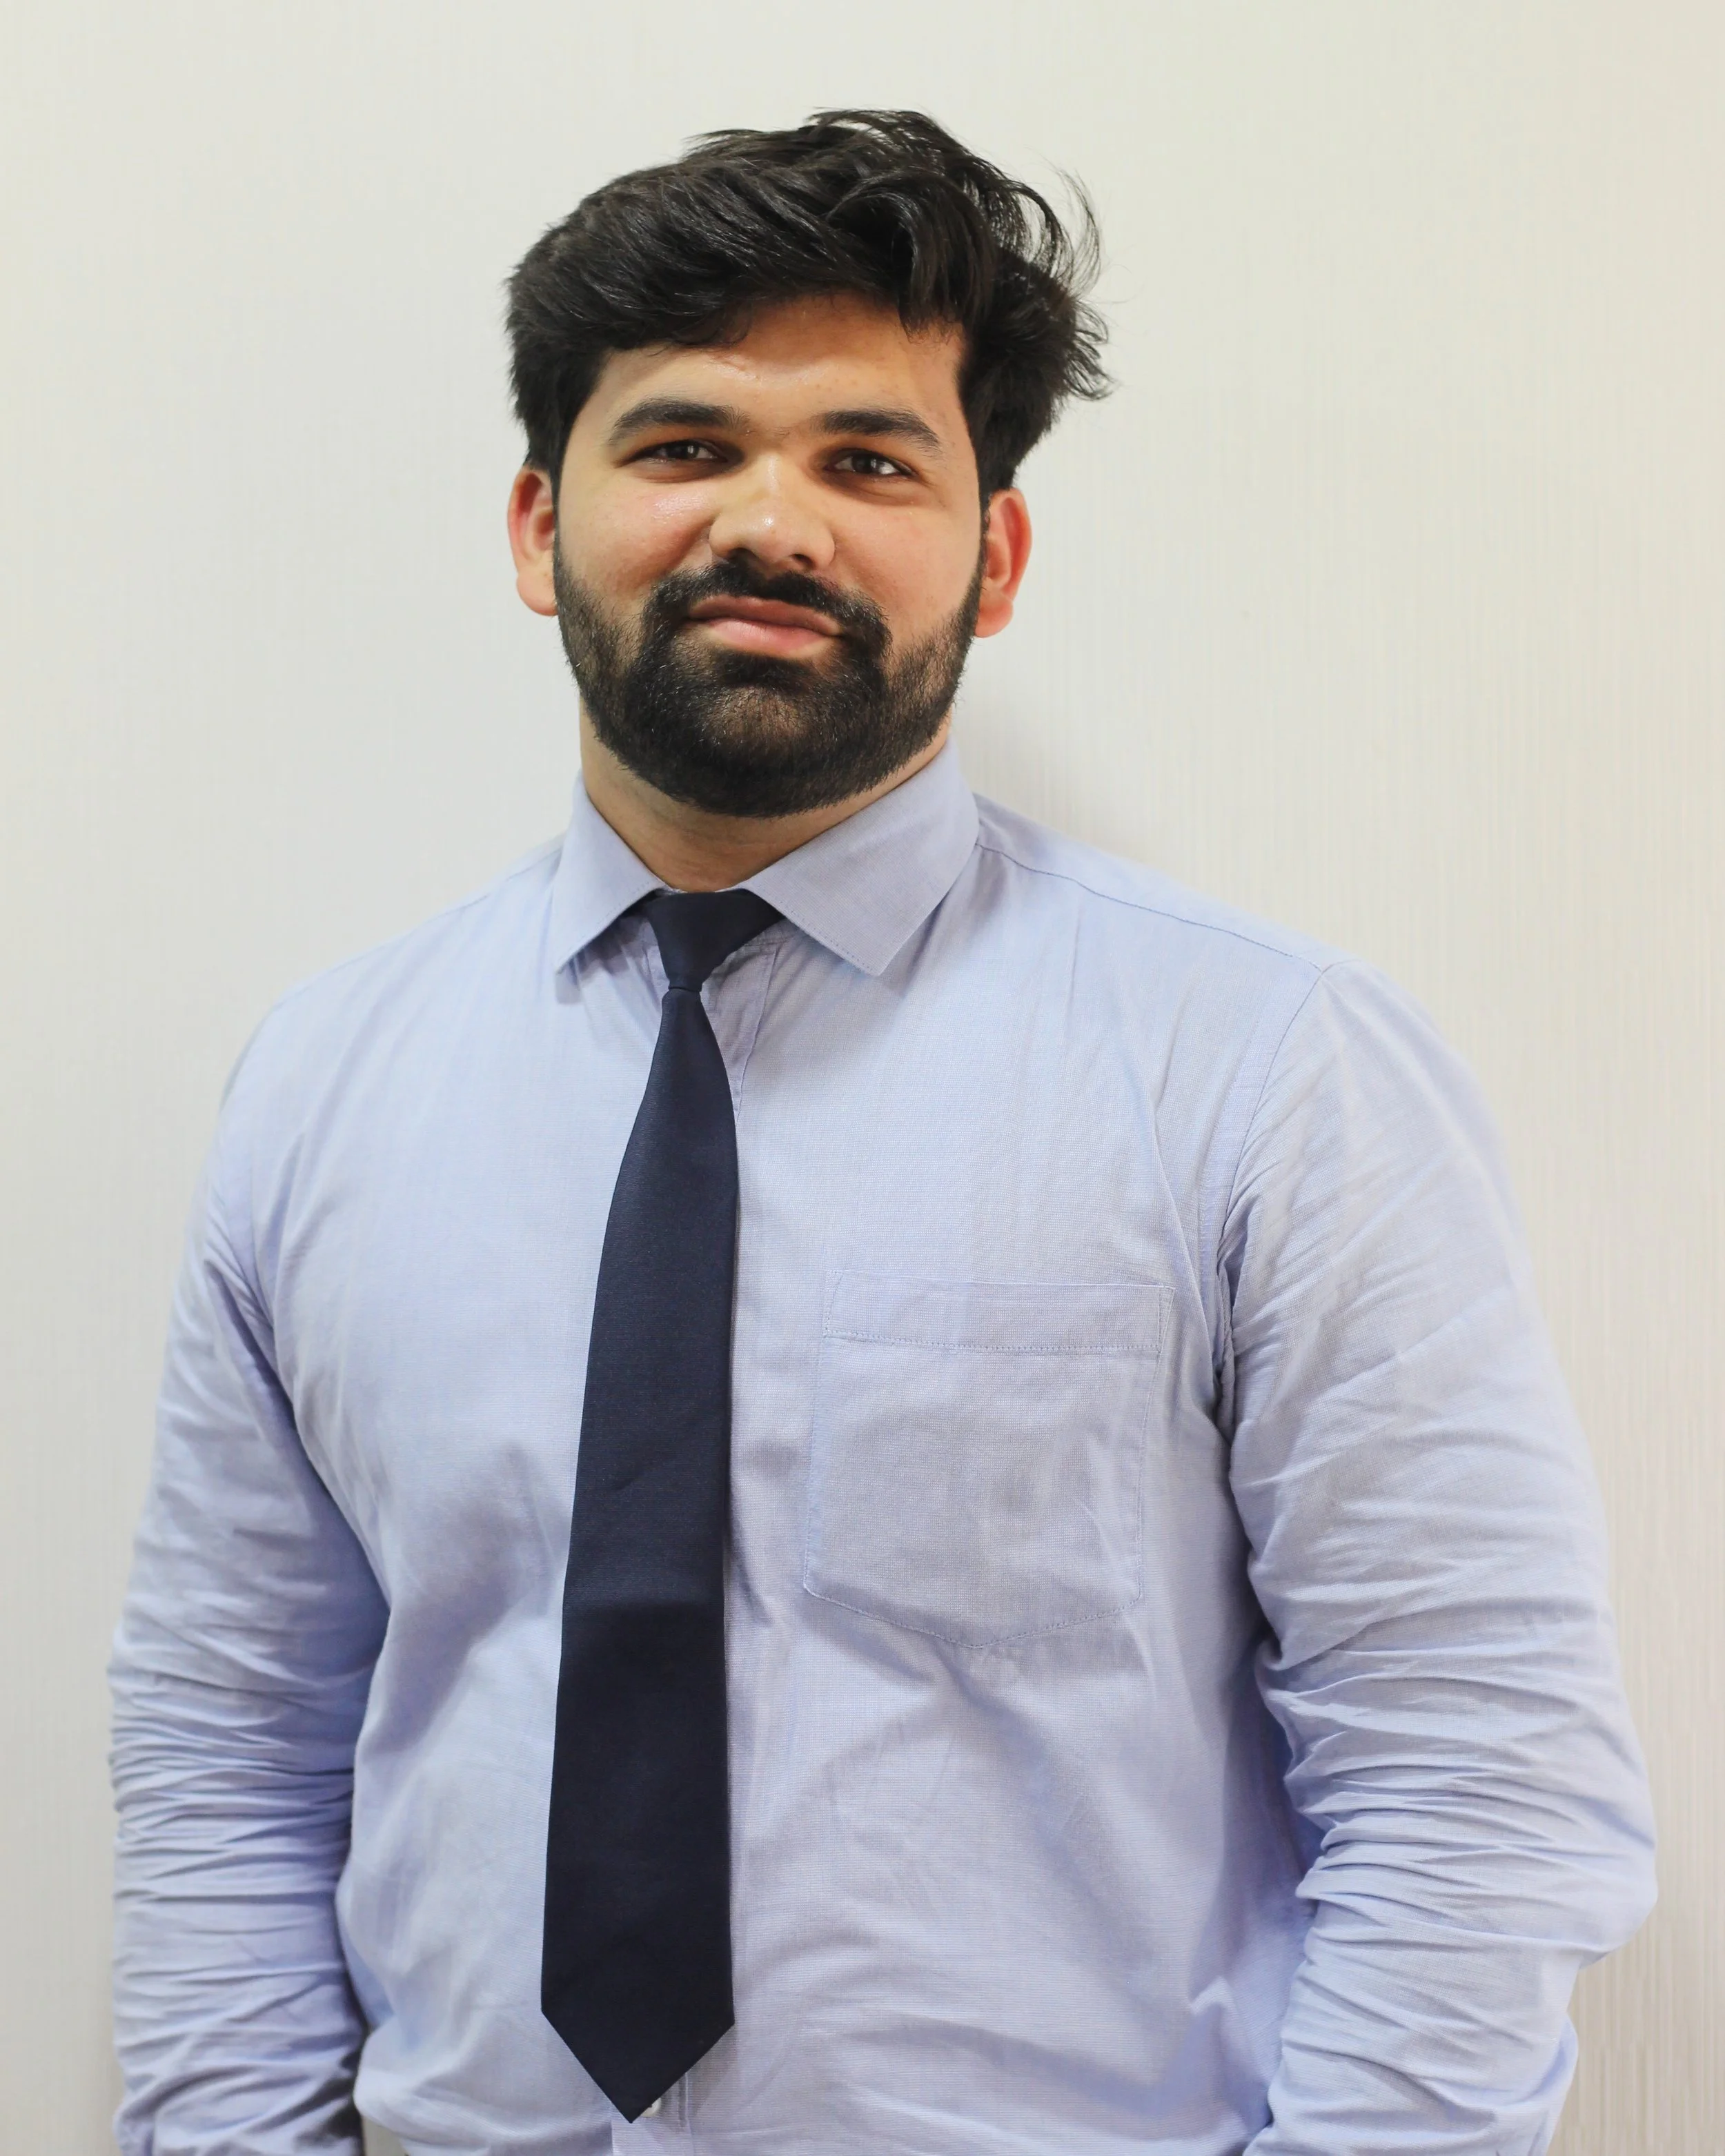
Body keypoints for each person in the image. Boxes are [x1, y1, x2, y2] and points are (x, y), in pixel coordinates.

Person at [110, 109, 1655, 2156]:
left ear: (992, 557)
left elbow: (1476, 1765)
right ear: (528, 524)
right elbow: (234, 1738)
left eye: (868, 458)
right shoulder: (324, 1080)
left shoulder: (1268, 1066)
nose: (775, 522)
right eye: (680, 447)